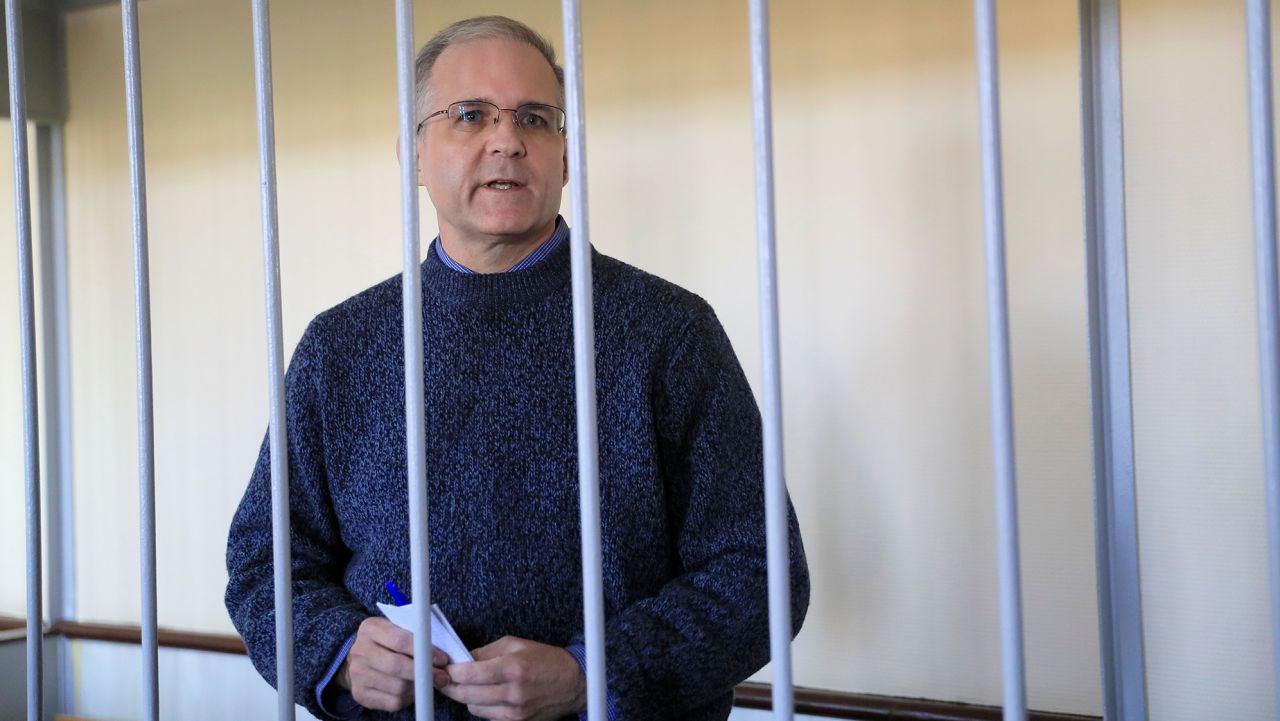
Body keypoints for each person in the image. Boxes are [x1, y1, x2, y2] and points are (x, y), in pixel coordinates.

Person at [225, 15, 809, 721]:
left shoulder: (669, 332)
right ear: (415, 155)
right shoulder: (340, 347)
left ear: (565, 158)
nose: (506, 140)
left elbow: (762, 574)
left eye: (536, 118)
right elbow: (266, 564)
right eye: (470, 115)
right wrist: (336, 652)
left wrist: (593, 671)